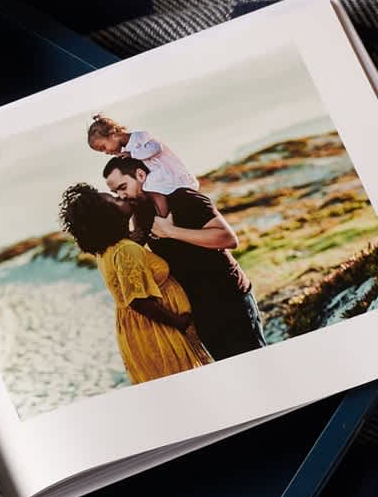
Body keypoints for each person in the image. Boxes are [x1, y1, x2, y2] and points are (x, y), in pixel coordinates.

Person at [103, 156, 266, 361]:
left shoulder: (184, 198)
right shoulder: (142, 213)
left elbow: (228, 238)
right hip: (197, 309)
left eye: (123, 187)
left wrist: (171, 231)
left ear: (141, 175)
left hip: (230, 298)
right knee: (229, 370)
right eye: (115, 192)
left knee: (257, 363)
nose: (121, 195)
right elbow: (133, 247)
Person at [58, 183, 212, 383]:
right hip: (158, 331)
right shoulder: (126, 251)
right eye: (115, 200)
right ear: (107, 216)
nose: (120, 197)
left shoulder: (108, 250)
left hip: (138, 330)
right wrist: (178, 322)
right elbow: (139, 301)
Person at [86, 114, 199, 217]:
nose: (106, 152)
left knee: (149, 188)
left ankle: (162, 216)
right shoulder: (127, 150)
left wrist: (132, 154)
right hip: (157, 172)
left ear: (113, 134)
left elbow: (156, 148)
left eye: (103, 147)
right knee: (143, 190)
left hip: (166, 170)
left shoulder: (139, 137)